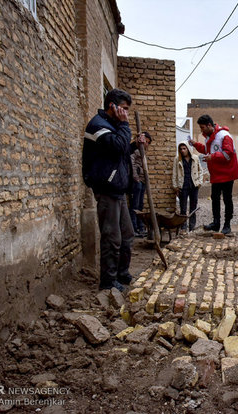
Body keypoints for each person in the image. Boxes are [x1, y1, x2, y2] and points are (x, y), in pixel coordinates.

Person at [82, 88, 146, 291]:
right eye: (124, 109)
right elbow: (117, 146)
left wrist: (135, 144)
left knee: (127, 236)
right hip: (106, 188)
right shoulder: (98, 126)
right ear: (113, 106)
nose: (126, 113)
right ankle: (108, 282)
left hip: (118, 189)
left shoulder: (111, 125)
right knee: (112, 238)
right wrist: (125, 125)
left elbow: (122, 151)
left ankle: (121, 274)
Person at [188, 115, 238, 234]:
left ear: (209, 125)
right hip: (216, 174)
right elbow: (207, 150)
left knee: (227, 199)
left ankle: (227, 224)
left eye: (202, 128)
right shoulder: (209, 137)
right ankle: (216, 223)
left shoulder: (224, 136)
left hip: (227, 174)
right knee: (215, 199)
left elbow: (228, 153)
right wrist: (195, 144)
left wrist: (212, 157)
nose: (201, 131)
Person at [172, 140, 203, 231]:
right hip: (183, 186)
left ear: (188, 149)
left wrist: (199, 182)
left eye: (184, 148)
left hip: (194, 185)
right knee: (183, 207)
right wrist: (175, 187)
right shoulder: (177, 159)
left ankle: (192, 226)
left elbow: (200, 171)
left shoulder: (195, 158)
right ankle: (183, 226)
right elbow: (174, 174)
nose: (182, 151)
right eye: (181, 149)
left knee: (193, 206)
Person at [129, 131, 152, 237]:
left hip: (141, 181)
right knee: (135, 205)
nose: (146, 144)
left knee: (140, 205)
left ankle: (140, 227)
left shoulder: (142, 152)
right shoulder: (136, 150)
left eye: (147, 142)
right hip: (137, 181)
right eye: (145, 141)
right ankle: (134, 228)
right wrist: (136, 177)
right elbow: (132, 164)